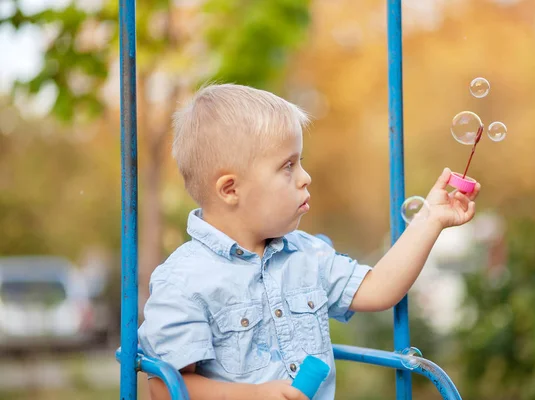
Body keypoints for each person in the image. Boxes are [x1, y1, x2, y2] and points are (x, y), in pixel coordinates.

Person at [138, 83, 481, 400]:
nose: (305, 177)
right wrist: (255, 395)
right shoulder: (183, 280)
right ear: (231, 189)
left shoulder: (306, 254)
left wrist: (430, 219)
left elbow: (379, 289)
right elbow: (166, 388)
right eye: (288, 166)